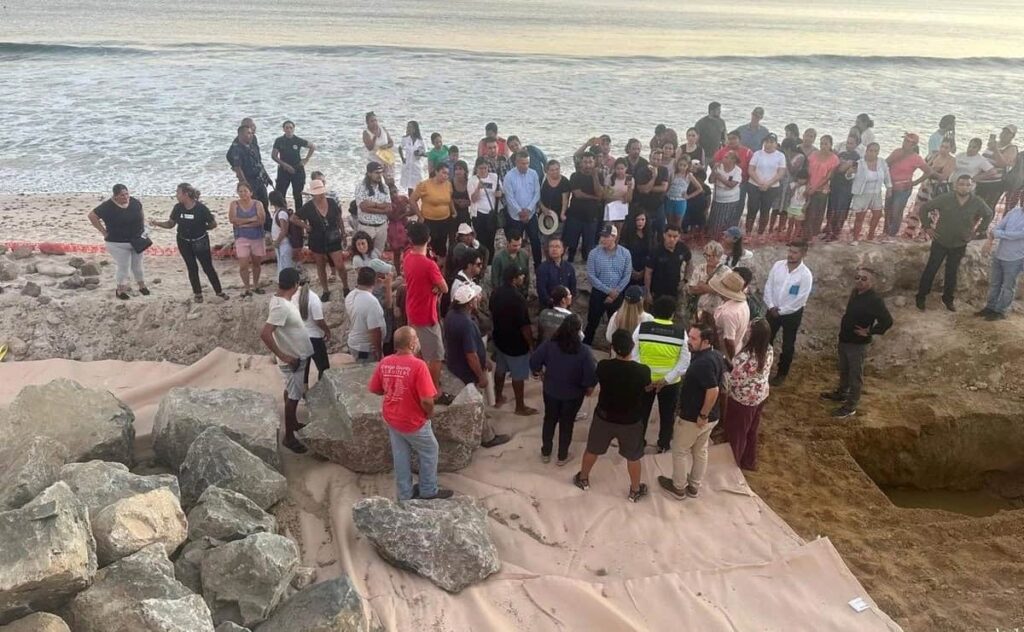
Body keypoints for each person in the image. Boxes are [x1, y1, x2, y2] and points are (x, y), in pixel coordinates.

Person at [369, 326, 454, 500]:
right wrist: (429, 413)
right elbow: (427, 400)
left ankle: (405, 494)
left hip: (392, 418)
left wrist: (391, 391)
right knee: (430, 450)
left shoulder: (385, 362)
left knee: (400, 456)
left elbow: (375, 389)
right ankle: (428, 490)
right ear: (412, 343)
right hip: (412, 420)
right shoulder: (418, 365)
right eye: (416, 338)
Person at [574, 329, 652, 502]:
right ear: (632, 346)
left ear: (613, 348)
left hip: (604, 417)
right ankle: (634, 490)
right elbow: (647, 387)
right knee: (633, 457)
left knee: (592, 449)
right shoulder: (643, 371)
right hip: (631, 421)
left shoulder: (604, 366)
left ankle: (583, 478)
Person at [657, 324, 727, 500]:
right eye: (689, 336)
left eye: (694, 338)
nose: (689, 341)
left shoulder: (702, 364)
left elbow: (713, 390)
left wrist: (702, 415)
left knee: (679, 450)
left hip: (693, 417)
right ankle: (694, 486)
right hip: (712, 416)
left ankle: (678, 487)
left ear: (706, 341)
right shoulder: (717, 355)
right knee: (700, 450)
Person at [443, 282, 512, 448]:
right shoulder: (466, 323)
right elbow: (471, 354)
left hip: (455, 366)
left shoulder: (451, 315)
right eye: (475, 298)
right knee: (477, 403)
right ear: (469, 303)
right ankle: (488, 437)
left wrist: (484, 360)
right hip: (467, 372)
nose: (478, 299)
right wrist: (481, 376)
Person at [821, 267, 893, 418]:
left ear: (872, 282)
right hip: (845, 339)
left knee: (855, 375)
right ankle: (842, 393)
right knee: (844, 370)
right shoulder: (855, 293)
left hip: (858, 344)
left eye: (864, 279)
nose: (859, 281)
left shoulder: (875, 300)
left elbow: (887, 321)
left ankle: (851, 406)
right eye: (857, 277)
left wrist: (870, 331)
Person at [916, 175, 994, 311]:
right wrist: (927, 227)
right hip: (941, 240)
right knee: (931, 269)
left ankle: (948, 299)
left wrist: (978, 231)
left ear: (972, 186)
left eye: (968, 185)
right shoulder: (946, 198)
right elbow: (924, 208)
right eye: (961, 184)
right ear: (955, 186)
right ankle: (921, 297)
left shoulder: (977, 201)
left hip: (960, 242)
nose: (964, 187)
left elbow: (989, 214)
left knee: (952, 271)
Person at [530, 315, 598, 465]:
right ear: (578, 331)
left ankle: (546, 452)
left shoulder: (549, 344)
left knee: (549, 420)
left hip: (551, 391)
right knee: (567, 424)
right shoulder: (584, 351)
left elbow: (534, 361)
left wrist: (540, 373)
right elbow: (590, 375)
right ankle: (562, 456)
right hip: (573, 395)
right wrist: (588, 388)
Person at [259, 268, 314, 454]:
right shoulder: (281, 307)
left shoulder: (280, 300)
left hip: (296, 357)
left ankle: (293, 423)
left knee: (291, 392)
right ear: (295, 285)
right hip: (293, 360)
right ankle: (289, 437)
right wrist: (284, 356)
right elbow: (265, 333)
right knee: (293, 398)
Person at [148, 183, 224, 302]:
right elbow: (170, 224)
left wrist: (201, 229)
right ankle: (197, 293)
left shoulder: (201, 208)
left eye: (178, 192)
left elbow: (213, 224)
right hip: (183, 241)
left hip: (200, 241)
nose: (176, 195)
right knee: (191, 267)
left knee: (207, 267)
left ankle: (219, 291)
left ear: (186, 194)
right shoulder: (178, 208)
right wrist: (157, 223)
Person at [633, 295, 690, 452]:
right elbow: (685, 361)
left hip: (645, 382)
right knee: (667, 415)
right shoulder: (681, 333)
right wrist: (666, 379)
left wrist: (646, 378)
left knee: (641, 413)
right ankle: (663, 444)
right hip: (670, 383)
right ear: (672, 314)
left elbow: (633, 355)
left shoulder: (642, 328)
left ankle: (638, 443)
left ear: (654, 311)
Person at [402, 222, 451, 402]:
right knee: (436, 355)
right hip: (426, 315)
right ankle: (434, 392)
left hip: (412, 310)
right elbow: (444, 288)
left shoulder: (407, 256)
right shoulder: (429, 265)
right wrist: (436, 287)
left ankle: (419, 385)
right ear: (428, 239)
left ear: (410, 239)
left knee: (418, 353)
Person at [723, 318, 773, 470]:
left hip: (742, 400)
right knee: (752, 429)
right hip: (760, 394)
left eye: (749, 329)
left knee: (737, 433)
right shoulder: (768, 349)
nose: (746, 331)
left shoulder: (745, 357)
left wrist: (724, 369)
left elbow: (734, 380)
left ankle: (732, 466)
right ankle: (749, 461)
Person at [764, 241, 813, 386]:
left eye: (795, 252)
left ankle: (782, 373)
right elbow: (768, 286)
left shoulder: (805, 275)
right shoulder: (778, 266)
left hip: (792, 314)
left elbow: (800, 299)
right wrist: (771, 306)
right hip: (772, 309)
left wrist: (782, 311)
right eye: (790, 251)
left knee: (788, 345)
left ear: (803, 254)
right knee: (765, 340)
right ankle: (762, 367)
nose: (791, 255)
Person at [490, 266, 537, 416]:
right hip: (516, 344)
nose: (523, 278)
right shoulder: (518, 299)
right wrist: (531, 345)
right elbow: (525, 326)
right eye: (520, 276)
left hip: (500, 339)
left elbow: (492, 312)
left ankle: (498, 397)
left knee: (500, 370)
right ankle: (520, 407)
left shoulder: (496, 293)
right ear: (514, 279)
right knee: (518, 375)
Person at [88, 183, 148, 300]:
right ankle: (120, 290)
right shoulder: (107, 206)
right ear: (115, 196)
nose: (125, 197)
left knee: (137, 265)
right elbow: (92, 216)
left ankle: (142, 286)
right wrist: (104, 232)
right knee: (124, 266)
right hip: (117, 243)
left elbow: (141, 213)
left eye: (127, 194)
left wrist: (143, 228)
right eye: (122, 195)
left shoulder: (134, 202)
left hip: (136, 240)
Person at [294, 179, 349, 300]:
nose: (321, 195)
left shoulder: (331, 202)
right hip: (317, 238)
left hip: (333, 237)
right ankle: (325, 290)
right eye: (318, 193)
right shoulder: (308, 207)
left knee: (340, 264)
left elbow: (339, 218)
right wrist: (306, 226)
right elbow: (293, 218)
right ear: (313, 194)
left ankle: (346, 286)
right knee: (320, 266)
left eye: (322, 192)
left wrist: (343, 234)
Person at [583, 224, 633, 345]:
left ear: (614, 237)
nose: (603, 239)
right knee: (592, 323)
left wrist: (616, 292)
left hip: (617, 294)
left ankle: (616, 350)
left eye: (606, 236)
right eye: (602, 236)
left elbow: (627, 275)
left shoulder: (625, 253)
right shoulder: (594, 253)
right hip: (598, 294)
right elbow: (591, 276)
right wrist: (608, 291)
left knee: (617, 325)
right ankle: (585, 346)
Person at [885, 133, 937, 238]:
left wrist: (915, 182)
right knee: (888, 209)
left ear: (914, 145)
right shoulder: (897, 152)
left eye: (908, 142)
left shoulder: (916, 158)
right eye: (905, 141)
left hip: (903, 189)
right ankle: (886, 232)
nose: (905, 143)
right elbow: (885, 164)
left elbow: (929, 171)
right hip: (890, 186)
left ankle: (892, 234)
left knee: (896, 211)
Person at [980, 203, 1024, 320]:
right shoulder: (1014, 212)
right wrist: (995, 234)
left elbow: (1019, 235)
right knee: (995, 284)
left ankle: (1000, 311)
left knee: (1008, 287)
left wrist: (999, 234)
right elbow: (998, 226)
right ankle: (990, 307)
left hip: (1015, 258)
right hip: (1000, 254)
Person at [227, 123, 271, 230]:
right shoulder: (237, 149)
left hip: (259, 179)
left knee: (264, 203)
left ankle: (267, 226)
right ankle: (256, 227)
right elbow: (238, 167)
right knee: (253, 205)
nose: (251, 135)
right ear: (241, 135)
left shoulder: (252, 145)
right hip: (249, 180)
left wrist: (266, 176)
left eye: (251, 133)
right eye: (248, 133)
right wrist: (245, 184)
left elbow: (259, 163)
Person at [411, 163, 455, 268]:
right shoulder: (425, 185)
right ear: (436, 172)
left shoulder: (448, 184)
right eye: (443, 173)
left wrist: (453, 211)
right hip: (429, 221)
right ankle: (428, 268)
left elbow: (449, 199)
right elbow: (412, 200)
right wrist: (419, 216)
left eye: (447, 174)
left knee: (442, 245)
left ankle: (440, 270)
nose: (446, 176)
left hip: (444, 220)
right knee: (429, 246)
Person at [503, 150, 543, 266]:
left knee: (535, 240)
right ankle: (516, 265)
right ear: (516, 162)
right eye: (522, 163)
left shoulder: (533, 173)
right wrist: (520, 211)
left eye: (527, 163)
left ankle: (538, 265)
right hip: (515, 216)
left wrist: (529, 209)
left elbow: (537, 193)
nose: (525, 166)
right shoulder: (509, 176)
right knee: (516, 242)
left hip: (531, 214)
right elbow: (509, 197)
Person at [563, 153, 605, 263]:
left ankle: (586, 261)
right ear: (581, 163)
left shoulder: (599, 176)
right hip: (575, 215)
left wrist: (595, 176)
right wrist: (594, 197)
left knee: (589, 245)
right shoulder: (575, 176)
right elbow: (578, 194)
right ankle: (570, 260)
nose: (588, 165)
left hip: (592, 216)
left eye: (590, 162)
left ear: (594, 162)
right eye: (585, 162)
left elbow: (600, 194)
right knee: (571, 244)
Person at [228, 181, 266, 297]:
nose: (243, 193)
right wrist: (251, 219)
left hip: (257, 237)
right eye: (240, 191)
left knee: (256, 264)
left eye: (245, 191)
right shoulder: (234, 204)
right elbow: (233, 220)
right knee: (243, 265)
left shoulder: (258, 204)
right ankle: (247, 288)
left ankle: (256, 285)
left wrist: (243, 224)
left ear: (251, 192)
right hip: (241, 238)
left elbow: (261, 220)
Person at [849, 142, 891, 243]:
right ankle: (855, 238)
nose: (872, 153)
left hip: (876, 193)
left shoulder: (882, 162)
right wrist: (850, 172)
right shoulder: (859, 163)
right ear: (866, 151)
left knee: (877, 214)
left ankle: (870, 236)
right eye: (870, 150)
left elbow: (886, 175)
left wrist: (889, 187)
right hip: (862, 193)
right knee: (860, 217)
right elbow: (850, 176)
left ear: (878, 152)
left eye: (875, 151)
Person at [746, 133, 787, 235]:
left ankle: (760, 233)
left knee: (765, 210)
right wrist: (759, 182)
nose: (768, 144)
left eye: (771, 142)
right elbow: (751, 170)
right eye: (766, 142)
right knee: (752, 208)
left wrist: (768, 184)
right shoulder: (757, 154)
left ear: (776, 144)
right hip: (754, 185)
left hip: (772, 187)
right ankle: (748, 232)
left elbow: (781, 173)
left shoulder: (780, 156)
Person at [293, 278, 330, 389]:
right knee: (323, 367)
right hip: (314, 337)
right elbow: (318, 320)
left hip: (299, 336)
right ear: (309, 282)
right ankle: (322, 390)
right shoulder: (313, 297)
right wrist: (327, 331)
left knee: (303, 367)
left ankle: (304, 390)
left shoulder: (292, 297)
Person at [272, 120, 315, 212]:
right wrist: (285, 165)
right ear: (283, 129)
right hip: (283, 170)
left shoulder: (298, 140)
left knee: (298, 194)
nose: (289, 129)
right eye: (286, 128)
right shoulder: (279, 140)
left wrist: (306, 159)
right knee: (280, 194)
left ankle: (299, 215)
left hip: (297, 170)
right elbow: (274, 156)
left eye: (291, 128)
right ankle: (282, 213)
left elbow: (312, 146)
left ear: (294, 129)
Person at [825, 133, 861, 240]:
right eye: (847, 143)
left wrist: (843, 164)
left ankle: (836, 231)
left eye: (851, 143)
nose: (849, 145)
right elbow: (834, 167)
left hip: (846, 187)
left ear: (856, 145)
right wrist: (843, 164)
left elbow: (842, 169)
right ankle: (828, 228)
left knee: (841, 209)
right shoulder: (841, 154)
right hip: (835, 184)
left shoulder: (857, 157)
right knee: (831, 207)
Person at [345, 267, 386, 362]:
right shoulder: (372, 303)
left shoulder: (350, 295)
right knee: (367, 369)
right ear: (374, 281)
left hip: (354, 343)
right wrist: (379, 352)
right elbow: (375, 331)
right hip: (365, 348)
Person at [803, 135, 840, 239]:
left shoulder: (834, 159)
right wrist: (808, 185)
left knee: (817, 212)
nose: (823, 146)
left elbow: (828, 177)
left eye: (826, 144)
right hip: (809, 186)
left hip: (822, 189)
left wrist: (815, 188)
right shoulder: (813, 154)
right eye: (821, 143)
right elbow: (808, 171)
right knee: (806, 211)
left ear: (830, 145)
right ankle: (804, 233)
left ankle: (813, 234)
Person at [645, 224, 691, 305]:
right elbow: (648, 272)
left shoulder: (682, 248)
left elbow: (689, 262)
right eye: (669, 236)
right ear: (664, 235)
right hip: (657, 291)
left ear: (679, 237)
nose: (672, 239)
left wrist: (685, 280)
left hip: (674, 290)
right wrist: (647, 292)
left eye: (675, 236)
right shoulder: (656, 250)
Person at [977, 125, 1019, 212]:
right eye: (1003, 132)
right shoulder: (994, 144)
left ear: (1012, 136)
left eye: (1007, 133)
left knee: (987, 207)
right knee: (975, 204)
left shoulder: (1011, 148)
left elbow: (1003, 163)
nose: (1004, 134)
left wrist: (995, 149)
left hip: (994, 182)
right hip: (981, 179)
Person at [711, 270, 751, 361]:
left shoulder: (729, 313)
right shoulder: (743, 303)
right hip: (737, 346)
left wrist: (730, 360)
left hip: (724, 355)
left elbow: (729, 341)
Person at [687, 240, 729, 321]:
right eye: (706, 255)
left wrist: (702, 286)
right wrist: (711, 288)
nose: (708, 258)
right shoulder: (699, 268)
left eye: (712, 256)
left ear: (719, 256)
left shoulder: (726, 272)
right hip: (698, 310)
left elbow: (723, 292)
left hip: (716, 313)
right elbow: (691, 289)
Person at [706, 151, 744, 239]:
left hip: (730, 199)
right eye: (724, 157)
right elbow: (711, 181)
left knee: (725, 221)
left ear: (733, 160)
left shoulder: (737, 170)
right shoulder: (719, 167)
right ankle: (713, 237)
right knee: (715, 220)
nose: (724, 159)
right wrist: (713, 171)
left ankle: (724, 238)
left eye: (727, 157)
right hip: (717, 198)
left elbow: (731, 185)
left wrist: (719, 177)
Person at [469, 157, 499, 261]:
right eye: (480, 168)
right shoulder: (472, 180)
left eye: (485, 168)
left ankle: (490, 262)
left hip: (491, 213)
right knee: (481, 239)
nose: (483, 170)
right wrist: (478, 188)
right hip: (479, 214)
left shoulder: (494, 177)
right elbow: (473, 199)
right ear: (476, 168)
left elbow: (502, 191)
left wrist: (499, 194)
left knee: (491, 239)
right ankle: (481, 261)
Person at [536, 238, 576, 309]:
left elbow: (573, 287)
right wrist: (553, 303)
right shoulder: (542, 268)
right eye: (551, 246)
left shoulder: (569, 267)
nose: (554, 249)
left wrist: (567, 301)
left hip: (566, 305)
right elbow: (541, 289)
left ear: (562, 250)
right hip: (548, 306)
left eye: (557, 246)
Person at [665, 157, 703, 230]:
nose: (682, 167)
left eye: (684, 165)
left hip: (680, 201)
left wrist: (688, 196)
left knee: (678, 224)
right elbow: (668, 186)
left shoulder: (689, 175)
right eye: (680, 165)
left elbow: (700, 188)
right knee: (669, 223)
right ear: (677, 165)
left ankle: (677, 236)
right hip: (670, 199)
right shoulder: (673, 174)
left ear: (688, 166)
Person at [619, 212, 654, 288]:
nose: (640, 222)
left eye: (642, 219)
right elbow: (622, 254)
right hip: (629, 268)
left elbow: (652, 254)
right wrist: (631, 270)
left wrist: (644, 271)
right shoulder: (627, 235)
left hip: (645, 269)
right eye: (637, 220)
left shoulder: (650, 235)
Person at [267, 190, 296, 274]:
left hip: (283, 243)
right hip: (280, 243)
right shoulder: (279, 212)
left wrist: (277, 241)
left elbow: (284, 230)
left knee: (285, 267)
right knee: (282, 265)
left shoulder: (281, 213)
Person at [362, 111, 395, 181]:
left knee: (390, 181)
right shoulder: (366, 133)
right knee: (375, 181)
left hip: (386, 159)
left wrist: (386, 146)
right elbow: (369, 148)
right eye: (372, 121)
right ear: (367, 122)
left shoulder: (383, 129)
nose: (374, 123)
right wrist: (374, 137)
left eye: (375, 120)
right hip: (374, 161)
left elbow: (391, 143)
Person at [540, 158, 571, 229]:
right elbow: (537, 196)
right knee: (544, 234)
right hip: (544, 214)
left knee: (558, 234)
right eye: (552, 170)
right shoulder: (543, 180)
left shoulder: (565, 181)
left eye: (557, 169)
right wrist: (542, 208)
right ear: (547, 171)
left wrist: (562, 214)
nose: (555, 172)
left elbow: (565, 200)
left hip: (558, 215)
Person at [399, 120, 426, 194]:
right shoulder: (405, 139)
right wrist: (402, 158)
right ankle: (411, 200)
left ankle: (418, 200)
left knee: (419, 186)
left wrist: (419, 153)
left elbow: (426, 153)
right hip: (408, 165)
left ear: (414, 129)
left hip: (416, 166)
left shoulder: (420, 141)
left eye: (410, 127)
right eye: (407, 127)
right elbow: (400, 148)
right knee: (409, 186)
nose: (408, 129)